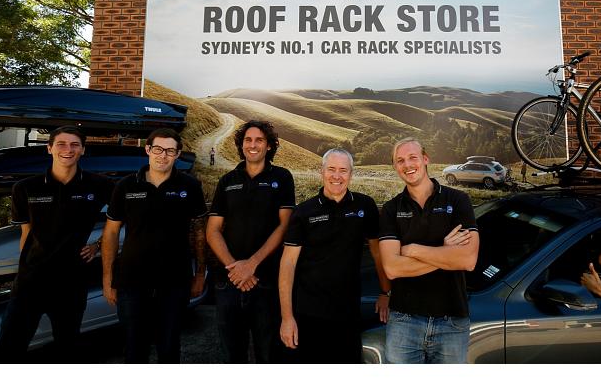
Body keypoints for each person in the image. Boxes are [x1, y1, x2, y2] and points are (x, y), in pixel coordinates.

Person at [0, 126, 114, 363]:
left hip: (72, 282)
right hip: (31, 283)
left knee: (66, 350)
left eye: (74, 145)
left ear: (82, 150)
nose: (67, 150)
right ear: (49, 148)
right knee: (9, 349)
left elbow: (121, 221)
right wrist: (26, 268)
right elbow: (26, 234)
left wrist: (98, 245)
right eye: (61, 144)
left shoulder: (99, 185)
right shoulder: (26, 188)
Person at [101, 128, 207, 363]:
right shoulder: (126, 186)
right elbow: (110, 233)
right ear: (148, 150)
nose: (163, 155)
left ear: (178, 154)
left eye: (170, 151)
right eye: (158, 149)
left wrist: (200, 273)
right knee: (134, 350)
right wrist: (108, 277)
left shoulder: (190, 186)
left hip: (174, 281)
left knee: (169, 348)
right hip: (131, 281)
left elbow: (200, 231)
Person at [279, 148, 390, 364]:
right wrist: (287, 318)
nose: (336, 176)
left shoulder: (364, 206)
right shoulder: (304, 212)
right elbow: (287, 265)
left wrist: (386, 292)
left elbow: (378, 253)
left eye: (343, 170)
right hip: (308, 315)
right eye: (331, 169)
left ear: (351, 174)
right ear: (322, 171)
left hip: (347, 315)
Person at [379, 137, 479, 364]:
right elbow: (392, 269)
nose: (407, 165)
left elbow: (468, 259)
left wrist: (412, 249)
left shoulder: (458, 200)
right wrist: (446, 252)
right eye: (400, 160)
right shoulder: (391, 209)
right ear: (395, 167)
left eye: (413, 157)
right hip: (404, 321)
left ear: (425, 159)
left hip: (452, 321)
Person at [205, 120, 295, 363]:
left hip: (265, 281)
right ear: (241, 145)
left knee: (269, 357)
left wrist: (251, 264)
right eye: (248, 140)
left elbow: (284, 226)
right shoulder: (227, 181)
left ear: (268, 146)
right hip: (229, 283)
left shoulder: (282, 177)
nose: (252, 145)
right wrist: (236, 268)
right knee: (233, 357)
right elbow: (213, 230)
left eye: (259, 140)